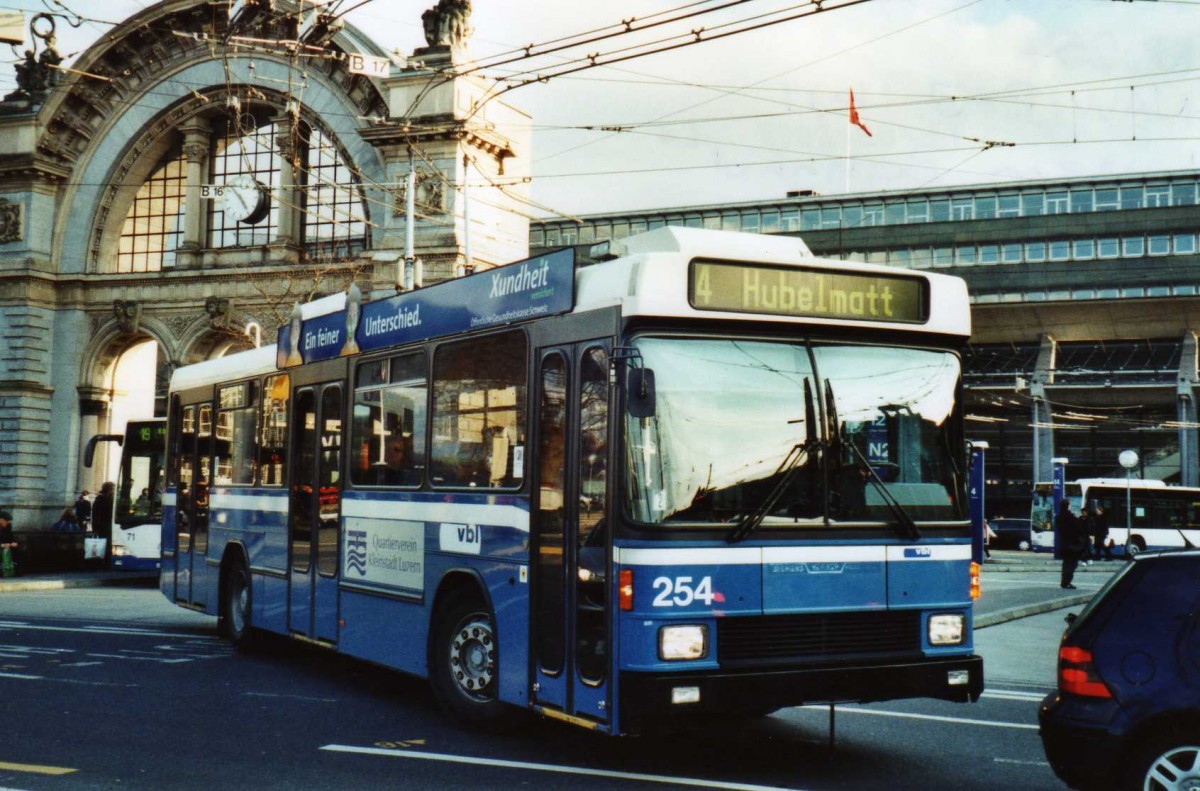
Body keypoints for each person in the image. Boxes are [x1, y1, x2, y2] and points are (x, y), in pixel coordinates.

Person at [1059, 499, 1085, 590]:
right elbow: (1079, 530)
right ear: (1068, 506)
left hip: (1063, 544)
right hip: (1072, 544)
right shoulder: (1071, 517)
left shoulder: (1059, 517)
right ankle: (1067, 582)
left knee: (1066, 564)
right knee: (1072, 564)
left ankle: (1064, 582)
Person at [92, 481, 115, 568]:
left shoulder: (102, 499)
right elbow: (96, 515)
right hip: (104, 527)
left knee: (107, 545)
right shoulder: (101, 500)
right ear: (109, 490)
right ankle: (104, 563)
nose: (114, 491)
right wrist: (96, 529)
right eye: (113, 489)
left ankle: (106, 562)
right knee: (105, 545)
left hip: (105, 526)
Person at [0, 510, 18, 577]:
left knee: (13, 551)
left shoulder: (8, 528)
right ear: (1, 520)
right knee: (5, 550)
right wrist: (2, 545)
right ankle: (6, 571)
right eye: (6, 521)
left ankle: (11, 571)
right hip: (2, 548)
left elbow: (11, 538)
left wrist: (13, 543)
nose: (7, 523)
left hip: (6, 548)